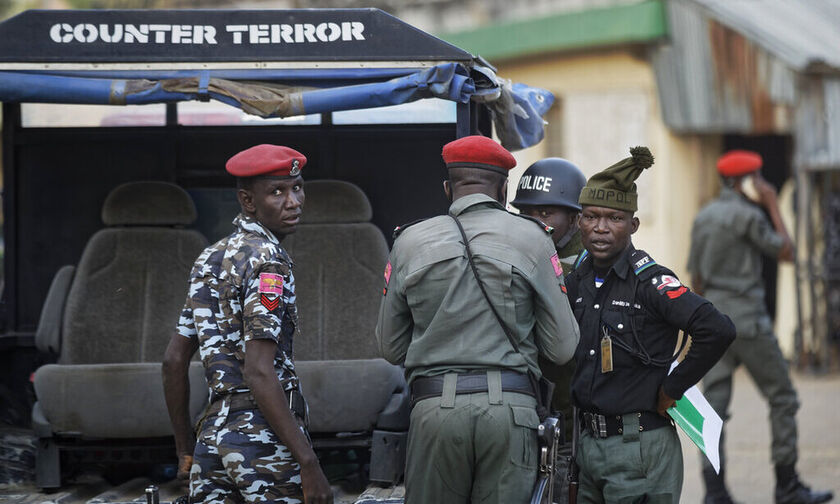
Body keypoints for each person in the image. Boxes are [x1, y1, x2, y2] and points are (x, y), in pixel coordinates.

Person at [376, 135, 580, 504]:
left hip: (434, 412)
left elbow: (390, 348)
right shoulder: (534, 239)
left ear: (447, 187)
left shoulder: (408, 241)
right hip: (510, 414)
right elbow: (562, 348)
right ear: (503, 189)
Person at [162, 144, 333, 504]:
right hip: (264, 439)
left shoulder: (209, 257)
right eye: (277, 192)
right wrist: (308, 462)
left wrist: (185, 449)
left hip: (212, 438)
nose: (294, 201)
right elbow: (257, 370)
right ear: (247, 200)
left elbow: (174, 361)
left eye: (297, 187)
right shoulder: (269, 260)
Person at [566, 146, 735, 503]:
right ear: (579, 221)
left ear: (633, 225)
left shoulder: (649, 282)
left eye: (613, 218)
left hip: (639, 446)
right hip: (588, 447)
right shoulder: (577, 278)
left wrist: (674, 387)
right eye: (591, 216)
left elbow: (716, 328)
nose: (600, 228)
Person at [688, 150, 833, 504]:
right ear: (745, 182)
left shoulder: (704, 216)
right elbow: (786, 252)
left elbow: (697, 279)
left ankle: (715, 493)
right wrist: (771, 203)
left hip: (714, 324)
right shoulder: (749, 215)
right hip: (749, 323)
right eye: (759, 178)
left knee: (713, 411)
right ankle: (787, 486)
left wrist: (703, 321)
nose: (764, 184)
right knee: (782, 397)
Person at [510, 157, 587, 503]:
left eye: (545, 215)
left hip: (572, 423)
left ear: (573, 219)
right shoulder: (516, 254)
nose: (533, 223)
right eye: (526, 213)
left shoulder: (586, 263)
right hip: (531, 416)